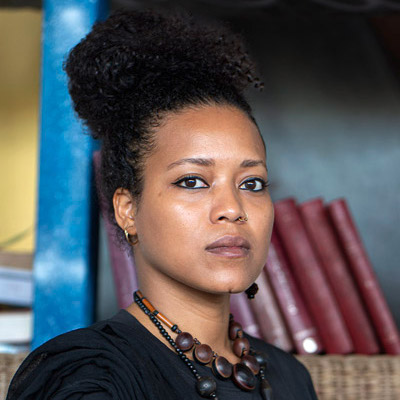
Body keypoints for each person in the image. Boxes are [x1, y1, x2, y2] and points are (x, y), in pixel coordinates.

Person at [7, 9, 318, 400]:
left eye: (251, 183)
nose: (232, 208)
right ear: (127, 210)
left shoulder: (290, 377)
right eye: (192, 181)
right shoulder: (87, 376)